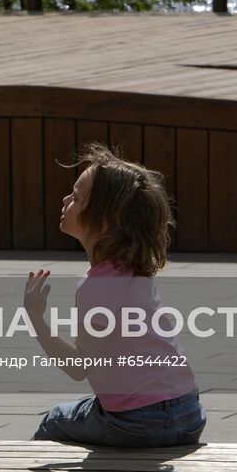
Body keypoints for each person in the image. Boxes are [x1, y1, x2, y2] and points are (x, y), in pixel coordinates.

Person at [23, 145, 206, 448]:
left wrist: (35, 317)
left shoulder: (97, 286)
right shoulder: (136, 272)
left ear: (103, 224)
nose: (65, 200)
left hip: (138, 421)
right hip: (188, 412)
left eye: (76, 198)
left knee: (54, 420)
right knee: (86, 410)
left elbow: (79, 367)